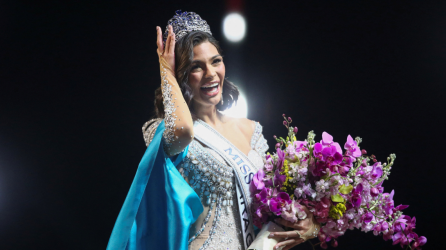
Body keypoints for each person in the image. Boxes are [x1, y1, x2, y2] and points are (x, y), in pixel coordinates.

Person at [107, 10, 318, 250]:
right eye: (196, 67)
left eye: (216, 61)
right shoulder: (166, 131)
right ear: (181, 76)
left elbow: (272, 208)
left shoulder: (251, 129)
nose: (210, 74)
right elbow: (184, 130)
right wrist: (166, 69)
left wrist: (308, 225)